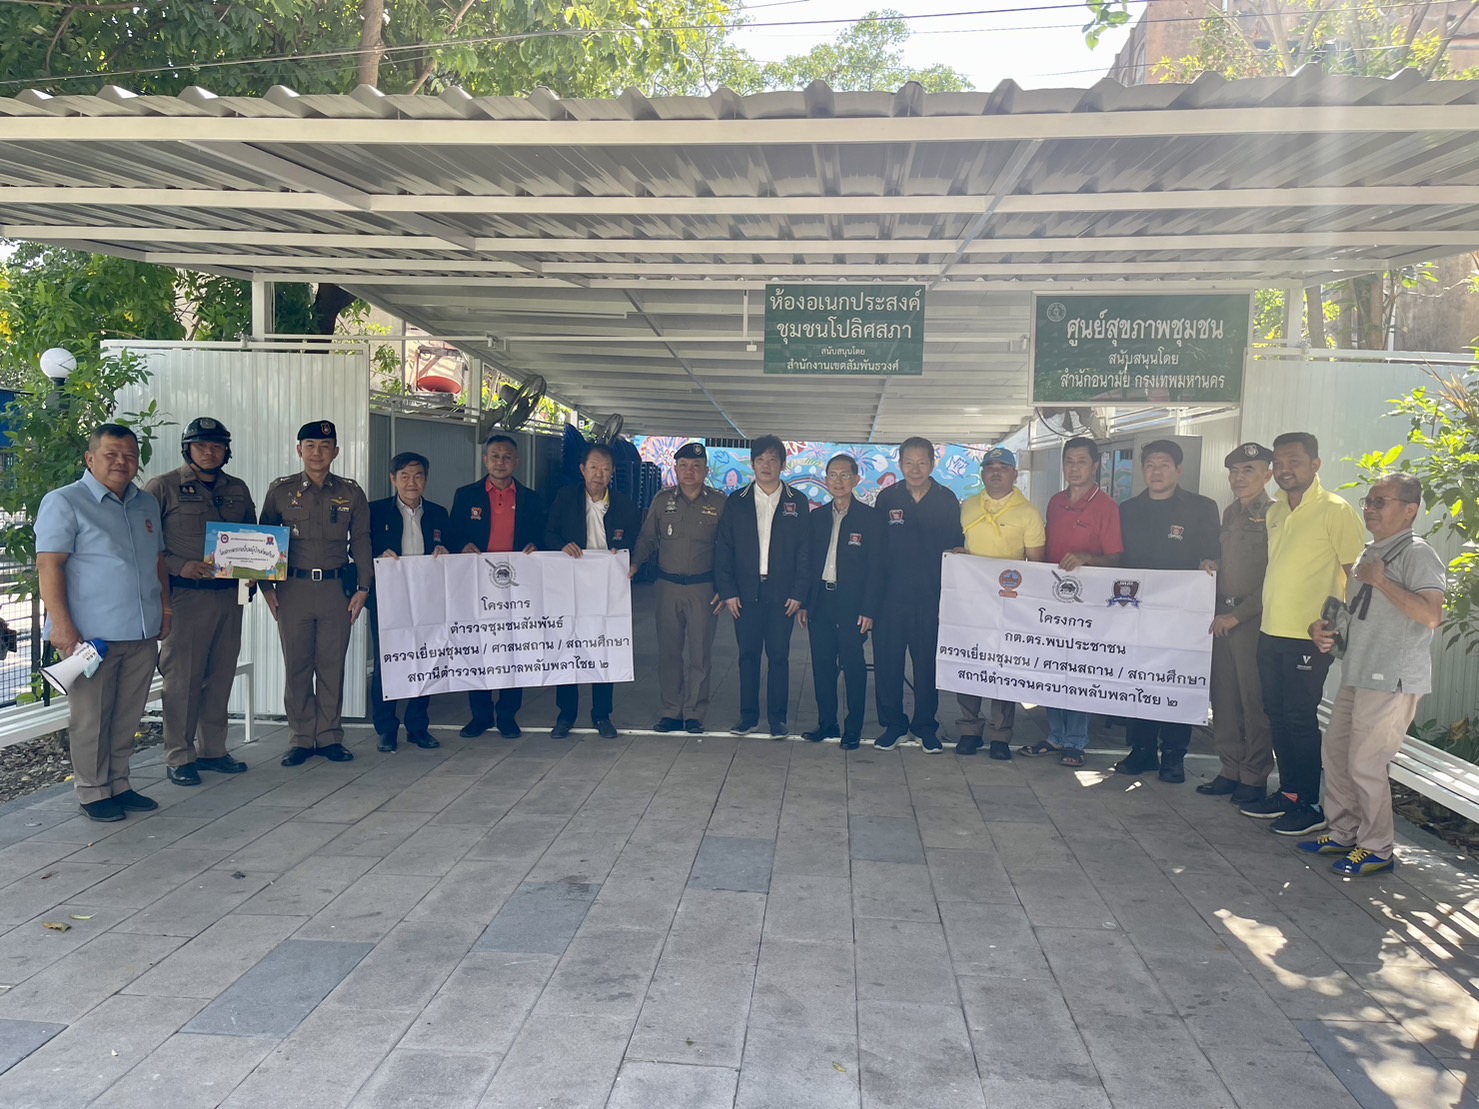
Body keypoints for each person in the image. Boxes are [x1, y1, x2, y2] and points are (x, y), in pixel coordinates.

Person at [1301, 474, 1445, 875]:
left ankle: (1377, 847)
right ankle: (1343, 831)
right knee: (1336, 753)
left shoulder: (1417, 554)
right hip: (1358, 671)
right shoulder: (1369, 552)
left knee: (1366, 763)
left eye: (1381, 502)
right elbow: (1359, 616)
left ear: (1410, 510)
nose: (1370, 508)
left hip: (1391, 678)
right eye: (1369, 500)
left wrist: (1381, 580)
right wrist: (1323, 630)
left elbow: (1431, 615)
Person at [36, 424, 170, 822]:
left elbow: (158, 561)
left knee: (128, 715)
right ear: (90, 458)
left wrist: (165, 610)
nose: (121, 462)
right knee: (91, 718)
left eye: (129, 456)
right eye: (111, 455)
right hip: (90, 638)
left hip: (141, 632)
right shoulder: (65, 501)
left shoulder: (146, 504)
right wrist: (62, 627)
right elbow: (48, 565)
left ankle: (119, 783)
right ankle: (93, 791)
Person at [1240, 431, 1366, 836]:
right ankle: (1290, 793)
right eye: (1278, 463)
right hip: (1271, 630)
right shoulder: (1275, 510)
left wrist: (1339, 629)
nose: (1284, 469)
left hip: (1310, 637)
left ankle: (1311, 804)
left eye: (1293, 461)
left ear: (1315, 464)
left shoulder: (1336, 510)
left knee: (1299, 717)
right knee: (1276, 714)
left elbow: (1356, 577)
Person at [146, 417, 255, 787]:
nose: (209, 452)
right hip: (185, 598)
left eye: (216, 446)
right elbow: (145, 544)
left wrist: (257, 572)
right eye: (201, 446)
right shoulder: (163, 487)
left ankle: (213, 750)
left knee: (220, 676)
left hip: (229, 598)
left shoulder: (237, 488)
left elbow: (254, 538)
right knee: (183, 680)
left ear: (226, 451)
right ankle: (179, 755)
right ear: (187, 449)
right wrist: (179, 565)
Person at [259, 420, 372, 766]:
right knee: (297, 666)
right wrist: (266, 587)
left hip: (336, 590)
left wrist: (364, 587)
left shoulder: (351, 493)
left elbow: (362, 541)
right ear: (299, 450)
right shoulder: (280, 491)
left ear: (336, 451)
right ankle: (301, 738)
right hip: (293, 589)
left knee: (331, 666)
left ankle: (329, 736)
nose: (317, 453)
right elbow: (263, 541)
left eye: (325, 447)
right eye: (310, 446)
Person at [1113, 440, 1221, 783]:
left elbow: (1213, 553)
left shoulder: (1202, 508)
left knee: (1176, 680)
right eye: (1150, 465)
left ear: (1179, 470)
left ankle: (1174, 755)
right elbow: (1118, 559)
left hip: (1183, 614)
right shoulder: (1127, 510)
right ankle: (1142, 750)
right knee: (1139, 678)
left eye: (1163, 465)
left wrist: (1211, 563)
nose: (1156, 472)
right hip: (1137, 613)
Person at [1027, 436, 1123, 767]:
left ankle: (1076, 740)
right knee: (1052, 666)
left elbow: (1117, 558)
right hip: (1052, 600)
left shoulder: (1106, 507)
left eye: (1082, 461)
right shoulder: (1055, 502)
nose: (1074, 468)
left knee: (1078, 668)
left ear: (1095, 465)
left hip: (1086, 605)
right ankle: (1056, 734)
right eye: (1069, 461)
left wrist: (1087, 557)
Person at [448, 433, 546, 739]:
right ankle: (480, 716)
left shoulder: (532, 499)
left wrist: (536, 546)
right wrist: (462, 545)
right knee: (478, 648)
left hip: (517, 587)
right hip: (477, 585)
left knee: (512, 648)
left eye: (506, 457)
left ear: (516, 461)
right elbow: (452, 533)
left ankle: (507, 715)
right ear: (485, 460)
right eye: (495, 456)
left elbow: (544, 535)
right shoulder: (466, 495)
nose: (500, 462)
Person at [714, 435, 811, 738]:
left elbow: (805, 551)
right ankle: (748, 716)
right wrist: (728, 592)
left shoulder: (797, 501)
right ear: (752, 464)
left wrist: (799, 592)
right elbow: (724, 548)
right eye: (760, 460)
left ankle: (778, 719)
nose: (766, 466)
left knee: (779, 656)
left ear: (783, 464)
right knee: (748, 655)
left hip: (783, 594)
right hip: (746, 593)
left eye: (772, 460)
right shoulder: (737, 501)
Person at [872, 437, 964, 752]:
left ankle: (925, 726)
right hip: (890, 599)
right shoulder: (887, 498)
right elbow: (876, 551)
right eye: (909, 462)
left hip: (930, 599)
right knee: (888, 665)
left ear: (932, 464)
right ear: (900, 464)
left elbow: (956, 545)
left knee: (927, 666)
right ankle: (894, 725)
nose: (915, 469)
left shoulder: (946, 499)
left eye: (922, 462)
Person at [544, 442, 640, 739]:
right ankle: (566, 715)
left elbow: (635, 542)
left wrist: (625, 556)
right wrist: (562, 546)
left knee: (603, 648)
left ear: (612, 473)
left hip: (607, 589)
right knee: (568, 648)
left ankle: (602, 714)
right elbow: (548, 533)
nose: (599, 474)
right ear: (582, 470)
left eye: (605, 468)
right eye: (594, 467)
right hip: (569, 588)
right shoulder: (565, 497)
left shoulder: (624, 505)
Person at [955, 447, 1046, 759]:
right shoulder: (968, 506)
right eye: (990, 467)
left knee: (1003, 668)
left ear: (1015, 475)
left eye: (1003, 468)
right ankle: (969, 729)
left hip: (1009, 603)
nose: (996, 473)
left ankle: (1000, 735)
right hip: (970, 602)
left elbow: (1036, 564)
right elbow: (963, 546)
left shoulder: (1029, 513)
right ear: (982, 473)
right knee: (969, 662)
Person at [630, 441, 726, 734]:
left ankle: (694, 712)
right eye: (683, 466)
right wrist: (633, 565)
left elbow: (729, 547)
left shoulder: (719, 503)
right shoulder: (662, 501)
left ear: (706, 471)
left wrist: (726, 587)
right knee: (669, 653)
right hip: (667, 587)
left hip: (703, 588)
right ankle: (672, 710)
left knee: (700, 654)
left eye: (696, 466)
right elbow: (647, 538)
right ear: (675, 469)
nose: (689, 471)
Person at [1198, 443, 1276, 804]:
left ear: (1267, 475)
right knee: (1224, 698)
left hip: (1252, 620)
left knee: (1253, 700)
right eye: (1234, 471)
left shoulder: (1275, 515)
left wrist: (1239, 615)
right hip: (1221, 616)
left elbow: (1275, 576)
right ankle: (1230, 768)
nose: (1239, 478)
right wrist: (1210, 564)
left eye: (1248, 470)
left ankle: (1254, 775)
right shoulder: (1230, 512)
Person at [799, 454, 884, 750]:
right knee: (822, 665)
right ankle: (827, 723)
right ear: (825, 480)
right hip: (821, 600)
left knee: (853, 665)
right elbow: (807, 563)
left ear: (856, 480)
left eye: (844, 475)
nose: (838, 481)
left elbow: (877, 568)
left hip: (853, 605)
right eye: (832, 475)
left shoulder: (871, 519)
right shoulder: (817, 518)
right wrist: (805, 603)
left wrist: (869, 609)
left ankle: (853, 728)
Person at [367, 451, 450, 752]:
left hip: (427, 599)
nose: (411, 482)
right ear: (393, 479)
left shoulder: (439, 513)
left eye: (417, 476)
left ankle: (417, 727)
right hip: (388, 599)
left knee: (425, 660)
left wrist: (445, 550)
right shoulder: (375, 511)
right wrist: (378, 556)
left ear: (425, 480)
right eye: (404, 476)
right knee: (387, 663)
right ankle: (386, 729)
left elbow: (452, 545)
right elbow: (358, 549)